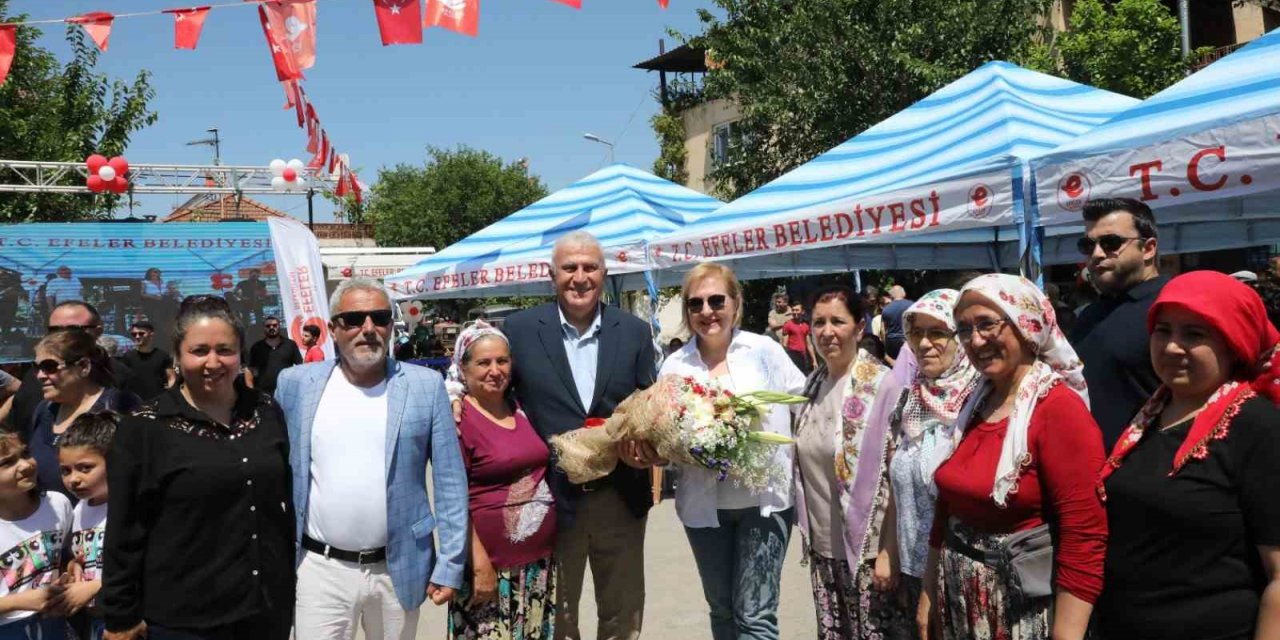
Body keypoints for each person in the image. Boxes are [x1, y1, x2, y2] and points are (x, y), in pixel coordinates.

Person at [276, 277, 468, 640]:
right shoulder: (295, 384)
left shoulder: (425, 386)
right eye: (353, 319)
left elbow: (450, 482)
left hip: (397, 568)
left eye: (379, 318)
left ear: (390, 326)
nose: (368, 329)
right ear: (333, 329)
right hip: (319, 570)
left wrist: (451, 562)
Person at [1096, 271, 1280, 640]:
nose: (1171, 347)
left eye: (1194, 334)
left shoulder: (1258, 426)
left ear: (1233, 343)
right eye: (1162, 330)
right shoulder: (1146, 416)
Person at [920, 274, 1105, 640]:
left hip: (1018, 607)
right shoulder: (973, 402)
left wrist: (1067, 635)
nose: (975, 340)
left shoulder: (1057, 410)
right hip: (959, 596)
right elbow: (947, 506)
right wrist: (929, 592)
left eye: (987, 324)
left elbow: (1084, 535)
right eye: (964, 329)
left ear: (1026, 323)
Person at [492, 231, 657, 640]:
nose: (579, 277)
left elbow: (651, 408)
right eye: (569, 268)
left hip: (620, 499)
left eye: (589, 267)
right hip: (550, 499)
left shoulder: (634, 332)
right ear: (552, 275)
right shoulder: (519, 331)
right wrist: (456, 397)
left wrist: (649, 450)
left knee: (622, 618)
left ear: (604, 273)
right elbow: (494, 394)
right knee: (557, 620)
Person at [101, 296, 295, 639]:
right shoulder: (144, 427)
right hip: (185, 616)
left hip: (264, 608)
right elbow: (125, 528)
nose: (213, 362)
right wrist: (120, 616)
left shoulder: (265, 411)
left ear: (240, 355)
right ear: (177, 357)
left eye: (225, 350)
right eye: (199, 351)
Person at [659, 263, 805, 640]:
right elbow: (665, 435)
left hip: (766, 502)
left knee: (756, 615)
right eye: (695, 304)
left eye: (716, 300)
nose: (707, 311)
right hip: (703, 508)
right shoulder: (674, 366)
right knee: (722, 610)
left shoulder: (764, 351)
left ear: (735, 303)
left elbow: (803, 404)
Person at [795, 285, 915, 639]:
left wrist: (889, 551)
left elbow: (896, 475)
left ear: (860, 327)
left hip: (870, 553)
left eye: (838, 321)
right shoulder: (811, 387)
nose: (827, 331)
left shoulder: (884, 386)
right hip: (824, 550)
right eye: (819, 322)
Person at [447, 322, 557, 639]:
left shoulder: (522, 407)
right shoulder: (458, 419)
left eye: (502, 361)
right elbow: (453, 500)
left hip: (537, 566)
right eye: (483, 362)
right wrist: (479, 563)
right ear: (463, 369)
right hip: (490, 567)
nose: (495, 370)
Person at [883, 290, 981, 624]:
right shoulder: (910, 399)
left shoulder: (980, 403)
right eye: (916, 333)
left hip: (959, 575)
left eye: (937, 332)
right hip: (912, 570)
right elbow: (896, 488)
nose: (924, 344)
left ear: (961, 337)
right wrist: (889, 553)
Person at [1069, 197, 1168, 449]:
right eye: (1088, 245)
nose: (1097, 254)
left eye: (1111, 243)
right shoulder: (1090, 314)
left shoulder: (1173, 305)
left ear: (1148, 248)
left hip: (1154, 464)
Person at [28, 331, 139, 502]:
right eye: (37, 368)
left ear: (83, 366)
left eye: (49, 366)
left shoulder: (120, 406)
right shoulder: (44, 411)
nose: (40, 375)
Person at [2, 302, 136, 436]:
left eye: (73, 330)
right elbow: (18, 416)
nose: (62, 337)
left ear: (98, 330)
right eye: (54, 330)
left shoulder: (119, 379)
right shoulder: (36, 375)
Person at [0, 427, 73, 639]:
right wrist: (20, 602)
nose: (25, 465)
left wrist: (72, 569)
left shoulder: (57, 504)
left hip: (55, 623)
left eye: (25, 454)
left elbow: (66, 555)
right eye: (7, 462)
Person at [55, 412, 119, 640]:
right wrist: (74, 566)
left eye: (85, 468)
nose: (73, 479)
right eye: (66, 470)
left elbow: (149, 568)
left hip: (128, 619)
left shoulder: (132, 506)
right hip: (94, 621)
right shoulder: (78, 510)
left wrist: (94, 587)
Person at [246, 315, 302, 395]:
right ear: (264, 328)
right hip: (264, 394)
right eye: (268, 326)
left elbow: (300, 366)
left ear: (279, 326)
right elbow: (249, 370)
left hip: (287, 391)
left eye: (275, 325)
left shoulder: (290, 345)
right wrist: (251, 391)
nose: (271, 328)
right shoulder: (256, 347)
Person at [120, 321, 175, 401]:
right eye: (134, 334)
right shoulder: (127, 357)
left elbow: (171, 378)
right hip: (134, 403)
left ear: (151, 334)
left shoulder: (163, 356)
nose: (137, 336)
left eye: (141, 333)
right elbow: (122, 380)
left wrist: (169, 397)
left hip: (158, 402)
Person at [880, 286, 913, 362]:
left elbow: (882, 330)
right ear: (904, 294)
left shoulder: (886, 309)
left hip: (892, 341)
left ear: (891, 296)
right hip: (907, 339)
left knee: (894, 364)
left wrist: (885, 345)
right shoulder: (912, 305)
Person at [781, 303, 815, 374]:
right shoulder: (788, 324)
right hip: (793, 356)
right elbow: (784, 345)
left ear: (802, 312)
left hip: (804, 357)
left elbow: (809, 344)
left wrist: (814, 360)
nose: (794, 312)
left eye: (797, 310)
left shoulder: (806, 325)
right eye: (793, 310)